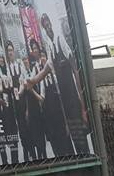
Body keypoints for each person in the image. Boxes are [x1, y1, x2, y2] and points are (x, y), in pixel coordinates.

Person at [41, 13, 90, 155]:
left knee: (81, 140)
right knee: (75, 139)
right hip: (65, 102)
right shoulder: (50, 48)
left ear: (51, 23)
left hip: (73, 99)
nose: (47, 26)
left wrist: (82, 105)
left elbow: (75, 69)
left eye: (48, 23)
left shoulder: (60, 39)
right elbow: (47, 69)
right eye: (45, 25)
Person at [24, 39, 47, 160]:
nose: (35, 50)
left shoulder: (45, 63)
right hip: (37, 106)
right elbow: (31, 82)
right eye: (33, 49)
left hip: (49, 103)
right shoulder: (34, 68)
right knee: (38, 133)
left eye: (36, 48)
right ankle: (41, 156)